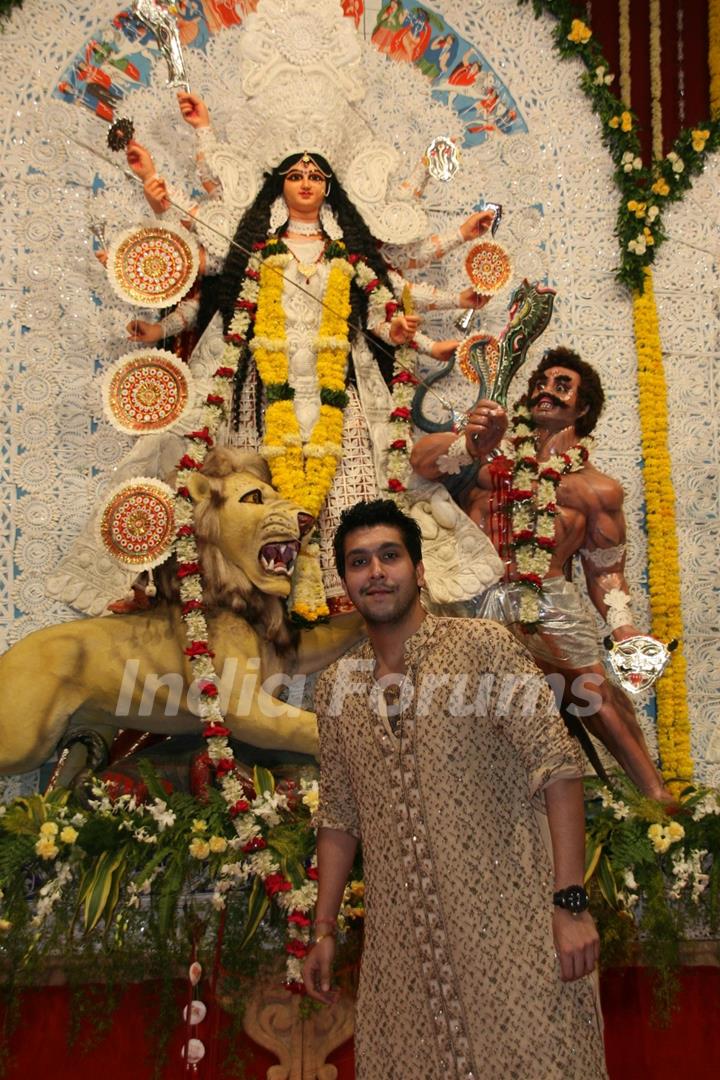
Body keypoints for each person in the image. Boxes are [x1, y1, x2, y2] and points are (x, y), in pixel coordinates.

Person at [117, 89, 494, 613]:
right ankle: (250, 592)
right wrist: (156, 183)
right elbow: (196, 228)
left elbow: (384, 309)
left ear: (328, 189)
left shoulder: (348, 255)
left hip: (337, 386)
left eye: (316, 176)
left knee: (353, 485)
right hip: (261, 391)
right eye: (296, 176)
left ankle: (346, 596)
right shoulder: (259, 250)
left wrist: (404, 329)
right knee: (241, 484)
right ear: (281, 186)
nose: (306, 184)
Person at [303, 499, 607, 1079]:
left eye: (389, 556)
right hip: (404, 955)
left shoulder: (483, 648)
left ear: (419, 571)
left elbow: (557, 768)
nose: (375, 572)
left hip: (514, 937)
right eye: (359, 562)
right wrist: (322, 929)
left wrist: (569, 903)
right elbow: (340, 818)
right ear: (345, 582)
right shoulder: (337, 688)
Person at [410, 346, 674, 803]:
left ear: (584, 406)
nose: (546, 391)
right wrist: (470, 442)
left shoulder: (599, 489)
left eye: (561, 385)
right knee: (458, 702)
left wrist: (623, 626)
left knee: (595, 694)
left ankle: (659, 801)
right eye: (541, 383)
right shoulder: (491, 451)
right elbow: (421, 461)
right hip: (475, 594)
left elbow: (605, 572)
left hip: (549, 597)